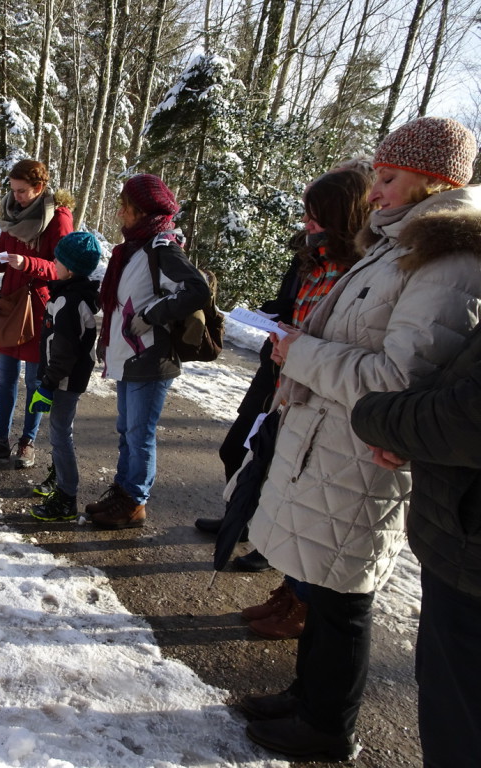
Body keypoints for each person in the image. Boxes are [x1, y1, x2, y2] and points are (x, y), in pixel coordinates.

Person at [241, 116, 481, 762]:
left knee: (344, 593)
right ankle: (305, 694)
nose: (373, 192)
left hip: (366, 453)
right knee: (320, 584)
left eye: (388, 177)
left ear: (433, 182)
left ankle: (328, 723)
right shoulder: (400, 241)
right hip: (338, 439)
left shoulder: (450, 259)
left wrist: (303, 354)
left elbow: (398, 378)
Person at [208, 167, 375, 635]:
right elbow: (298, 310)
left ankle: (299, 598)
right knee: (257, 464)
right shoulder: (314, 260)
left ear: (342, 216)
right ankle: (288, 584)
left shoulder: (357, 270)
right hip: (286, 385)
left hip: (326, 404)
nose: (305, 223)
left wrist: (298, 346)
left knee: (310, 506)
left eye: (315, 215)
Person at [350, 325, 481, 768]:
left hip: (469, 562)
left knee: (457, 732)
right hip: (458, 548)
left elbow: (468, 415)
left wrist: (380, 419)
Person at [85, 174, 210, 529]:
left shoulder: (162, 248)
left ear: (142, 211)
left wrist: (151, 315)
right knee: (127, 430)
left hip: (151, 357)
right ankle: (123, 493)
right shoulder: (135, 247)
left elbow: (196, 290)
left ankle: (134, 503)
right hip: (130, 354)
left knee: (140, 435)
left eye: (126, 205)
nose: (120, 211)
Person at [0, 159, 73, 468]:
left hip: (40, 309)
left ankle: (27, 442)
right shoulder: (11, 212)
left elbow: (64, 269)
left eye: (22, 191)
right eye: (12, 190)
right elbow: (3, 257)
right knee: (6, 379)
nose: (16, 197)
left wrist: (29, 264)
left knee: (36, 382)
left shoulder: (58, 218)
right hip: (11, 305)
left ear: (40, 188)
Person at [26, 232, 101, 522]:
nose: (53, 262)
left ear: (70, 268)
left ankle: (67, 497)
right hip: (62, 378)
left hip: (64, 380)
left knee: (60, 435)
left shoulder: (70, 301)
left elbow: (65, 351)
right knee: (59, 433)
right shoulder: (69, 294)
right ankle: (59, 479)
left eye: (58, 259)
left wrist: (47, 383)